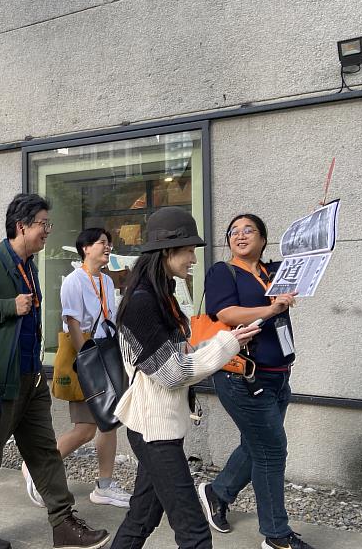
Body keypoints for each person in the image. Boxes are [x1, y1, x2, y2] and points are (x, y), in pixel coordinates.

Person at [0, 193, 110, 549]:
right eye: (43, 224)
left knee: (44, 453)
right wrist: (8, 306)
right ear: (21, 226)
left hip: (30, 376)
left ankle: (63, 523)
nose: (47, 231)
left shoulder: (30, 265)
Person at [110, 206, 259, 549]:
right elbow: (172, 374)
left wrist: (229, 340)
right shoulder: (143, 303)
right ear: (166, 251)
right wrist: (226, 344)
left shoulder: (162, 295)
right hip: (154, 430)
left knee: (142, 518)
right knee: (194, 533)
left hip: (159, 425)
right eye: (189, 249)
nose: (194, 257)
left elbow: (181, 355)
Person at [196, 214, 313, 549]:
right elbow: (227, 314)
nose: (240, 235)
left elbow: (308, 260)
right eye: (234, 231)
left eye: (249, 230)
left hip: (279, 375)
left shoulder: (273, 272)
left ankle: (216, 493)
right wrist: (271, 309)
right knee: (272, 450)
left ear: (263, 239)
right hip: (242, 376)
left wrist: (315, 226)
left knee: (257, 445)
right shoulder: (223, 272)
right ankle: (276, 536)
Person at [25, 228, 131, 509]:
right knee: (85, 428)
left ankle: (105, 486)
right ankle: (35, 467)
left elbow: (110, 317)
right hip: (88, 359)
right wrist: (88, 360)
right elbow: (72, 323)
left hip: (107, 356)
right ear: (85, 248)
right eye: (102, 243)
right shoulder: (74, 281)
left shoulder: (106, 281)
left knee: (109, 421)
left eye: (109, 243)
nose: (108, 248)